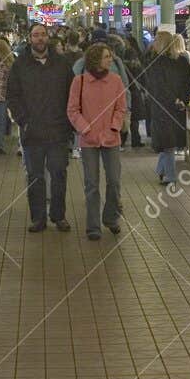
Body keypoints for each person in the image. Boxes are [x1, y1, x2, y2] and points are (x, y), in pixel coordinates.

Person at [6, 23, 74, 233]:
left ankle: (58, 215)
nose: (40, 39)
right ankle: (38, 218)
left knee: (59, 173)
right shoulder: (20, 65)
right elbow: (12, 96)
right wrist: (23, 120)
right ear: (30, 39)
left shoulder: (62, 64)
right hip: (32, 132)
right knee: (35, 177)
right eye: (36, 35)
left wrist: (68, 122)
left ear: (48, 38)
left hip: (58, 131)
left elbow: (72, 95)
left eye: (43, 35)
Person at [68, 43, 127, 240]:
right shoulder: (80, 81)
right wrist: (85, 129)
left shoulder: (116, 80)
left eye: (110, 56)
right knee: (91, 184)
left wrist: (114, 127)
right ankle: (93, 226)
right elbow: (73, 110)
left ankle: (111, 218)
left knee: (114, 181)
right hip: (88, 140)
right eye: (106, 56)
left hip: (112, 138)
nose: (111, 60)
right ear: (95, 59)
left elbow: (121, 108)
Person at [140, 30, 190, 185]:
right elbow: (188, 82)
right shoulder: (182, 60)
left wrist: (174, 99)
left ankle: (170, 175)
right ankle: (162, 170)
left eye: (156, 40)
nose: (153, 43)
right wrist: (182, 99)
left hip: (162, 106)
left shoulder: (156, 62)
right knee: (169, 141)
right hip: (176, 107)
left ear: (162, 43)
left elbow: (157, 86)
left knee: (168, 142)